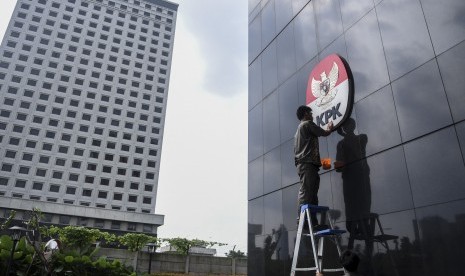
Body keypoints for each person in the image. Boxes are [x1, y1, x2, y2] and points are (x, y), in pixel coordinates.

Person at [294, 105, 333, 229]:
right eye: (310, 113)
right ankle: (301, 219)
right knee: (306, 191)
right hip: (307, 164)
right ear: (306, 114)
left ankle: (312, 221)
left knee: (312, 193)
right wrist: (329, 129)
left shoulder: (298, 131)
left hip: (308, 164)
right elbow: (323, 133)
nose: (312, 116)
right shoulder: (307, 124)